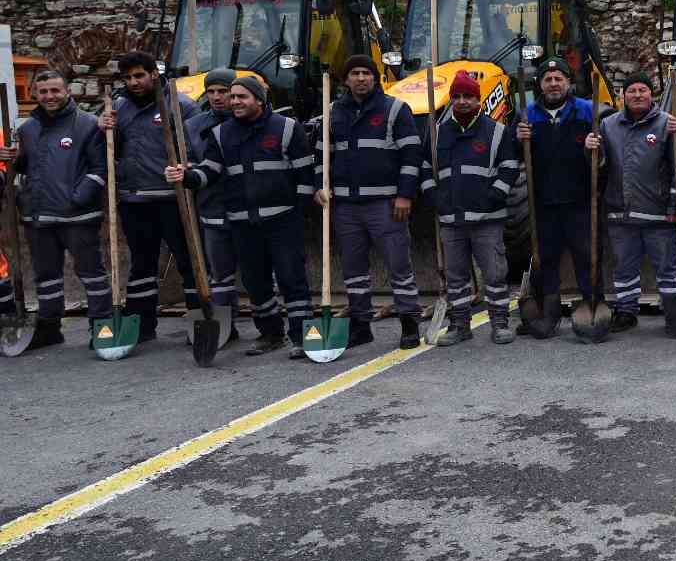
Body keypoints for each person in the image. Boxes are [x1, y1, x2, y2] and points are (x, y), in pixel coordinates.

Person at [169, 75, 315, 356]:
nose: (234, 101)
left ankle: (301, 336)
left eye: (241, 97)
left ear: (259, 99)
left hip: (283, 219)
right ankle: (271, 333)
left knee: (291, 278)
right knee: (255, 281)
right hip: (242, 221)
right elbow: (208, 172)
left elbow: (304, 175)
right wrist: (185, 176)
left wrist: (300, 215)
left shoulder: (286, 128)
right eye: (232, 97)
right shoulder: (222, 134)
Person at [316, 54, 423, 349]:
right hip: (346, 206)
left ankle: (409, 323)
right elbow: (321, 157)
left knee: (399, 265)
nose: (360, 78)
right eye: (354, 74)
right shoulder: (333, 111)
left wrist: (405, 195)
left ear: (375, 78)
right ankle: (361, 325)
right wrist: (319, 187)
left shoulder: (396, 109)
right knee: (353, 270)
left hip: (386, 204)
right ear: (346, 80)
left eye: (366, 73)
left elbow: (412, 156)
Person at [0, 69, 108, 348]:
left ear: (67, 92)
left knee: (91, 273)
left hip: (78, 216)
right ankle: (49, 328)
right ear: (35, 94)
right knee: (46, 277)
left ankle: (102, 327)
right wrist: (13, 158)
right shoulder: (27, 129)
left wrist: (77, 198)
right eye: (43, 91)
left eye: (55, 91)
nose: (49, 96)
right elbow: (26, 168)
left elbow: (100, 169)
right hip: (38, 217)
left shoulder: (87, 125)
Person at [99, 51, 200, 344]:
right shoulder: (117, 109)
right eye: (128, 77)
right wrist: (102, 128)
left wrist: (187, 167)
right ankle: (141, 325)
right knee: (141, 265)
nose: (134, 82)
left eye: (139, 75)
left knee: (188, 260)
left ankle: (199, 319)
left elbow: (196, 150)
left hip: (172, 197)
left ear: (154, 74)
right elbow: (108, 149)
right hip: (134, 200)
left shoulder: (180, 106)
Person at [420, 71, 520, 347]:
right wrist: (434, 197)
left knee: (495, 274)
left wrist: (494, 196)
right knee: (456, 277)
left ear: (479, 100)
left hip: (487, 218)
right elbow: (426, 168)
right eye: (457, 97)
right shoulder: (436, 132)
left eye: (469, 97)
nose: (462, 101)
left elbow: (510, 167)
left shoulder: (496, 131)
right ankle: (460, 324)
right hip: (451, 218)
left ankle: (500, 323)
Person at [596, 74, 676, 330]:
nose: (637, 95)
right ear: (623, 95)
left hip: (657, 214)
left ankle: (672, 310)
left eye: (642, 90)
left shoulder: (668, 125)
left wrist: (672, 206)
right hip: (620, 212)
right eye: (632, 90)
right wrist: (591, 149)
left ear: (651, 95)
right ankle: (626, 311)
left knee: (667, 267)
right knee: (624, 267)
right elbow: (600, 166)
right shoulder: (608, 125)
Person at [515, 57, 600, 322]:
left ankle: (593, 304)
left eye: (558, 79)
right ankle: (547, 309)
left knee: (587, 257)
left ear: (568, 82)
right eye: (548, 80)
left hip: (580, 201)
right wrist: (518, 140)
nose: (553, 84)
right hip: (544, 203)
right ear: (539, 85)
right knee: (546, 258)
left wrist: (593, 146)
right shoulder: (527, 116)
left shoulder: (588, 111)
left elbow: (605, 154)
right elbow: (513, 155)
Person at [185, 69, 241, 346]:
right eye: (212, 92)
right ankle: (224, 326)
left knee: (261, 272)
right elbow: (189, 161)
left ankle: (270, 327)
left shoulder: (248, 121)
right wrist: (188, 171)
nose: (218, 97)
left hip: (246, 207)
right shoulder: (194, 126)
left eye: (224, 91)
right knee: (220, 274)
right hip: (211, 205)